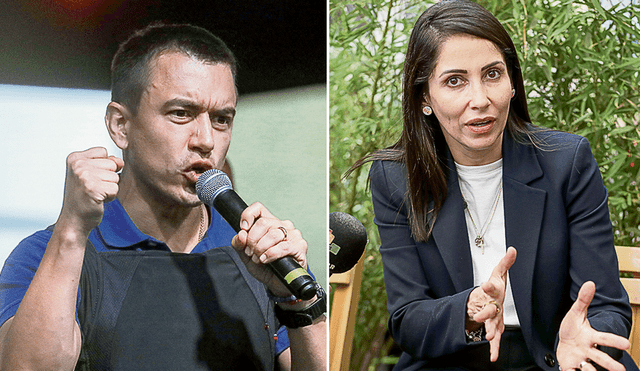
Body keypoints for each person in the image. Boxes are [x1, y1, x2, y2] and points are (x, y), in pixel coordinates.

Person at [0, 24, 326, 371]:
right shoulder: (49, 253)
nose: (205, 139)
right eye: (181, 113)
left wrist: (298, 303)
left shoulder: (258, 256)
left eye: (221, 119)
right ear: (120, 125)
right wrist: (72, 230)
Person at [352, 1, 637, 370]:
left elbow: (606, 305)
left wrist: (586, 342)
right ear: (424, 97)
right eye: (455, 81)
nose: (481, 100)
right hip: (450, 360)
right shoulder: (395, 178)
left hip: (556, 358)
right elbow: (408, 320)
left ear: (513, 83)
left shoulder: (567, 162)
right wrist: (468, 309)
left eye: (492, 74)